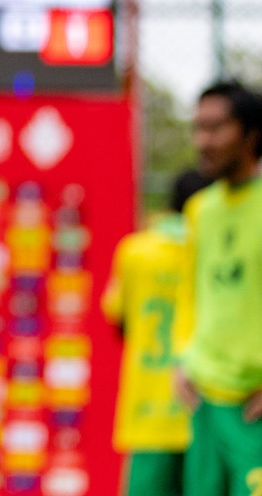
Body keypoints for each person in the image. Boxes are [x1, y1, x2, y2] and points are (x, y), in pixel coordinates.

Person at [174, 82, 262, 496]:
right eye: (198, 128)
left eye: (215, 128)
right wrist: (182, 359)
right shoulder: (200, 210)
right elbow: (191, 292)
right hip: (205, 400)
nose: (201, 141)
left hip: (254, 406)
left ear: (251, 134)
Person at [102, 168, 211, 496]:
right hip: (208, 407)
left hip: (148, 406)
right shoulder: (214, 251)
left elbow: (118, 318)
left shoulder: (136, 251)